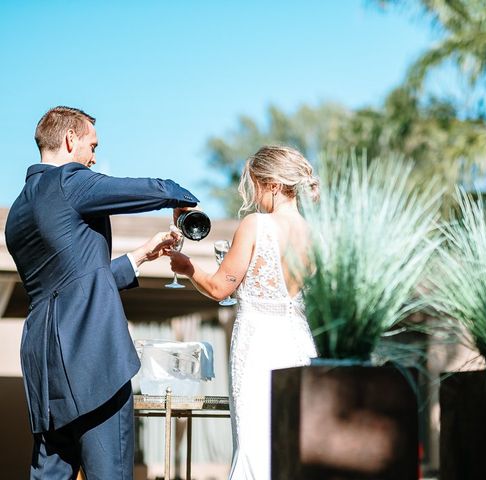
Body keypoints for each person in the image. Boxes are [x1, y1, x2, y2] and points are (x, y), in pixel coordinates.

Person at [4, 106, 199, 479]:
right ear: (70, 139)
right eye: (92, 145)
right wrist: (180, 197)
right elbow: (142, 190)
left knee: (50, 473)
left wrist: (140, 256)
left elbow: (69, 283)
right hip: (93, 360)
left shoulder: (19, 210)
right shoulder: (69, 181)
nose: (94, 157)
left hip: (44, 370)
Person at [168, 145, 319, 480]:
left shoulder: (257, 225)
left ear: (274, 184)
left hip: (259, 346)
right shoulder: (313, 234)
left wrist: (187, 267)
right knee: (289, 440)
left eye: (256, 185)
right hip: (298, 344)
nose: (253, 195)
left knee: (254, 444)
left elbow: (220, 288)